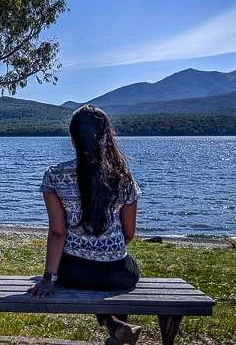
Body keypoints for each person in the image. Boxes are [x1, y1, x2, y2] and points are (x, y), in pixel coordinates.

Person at [28, 105, 142, 345]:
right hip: (118, 274)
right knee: (118, 273)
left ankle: (116, 327)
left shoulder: (54, 175)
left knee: (88, 274)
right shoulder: (124, 177)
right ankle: (118, 327)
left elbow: (58, 232)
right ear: (106, 137)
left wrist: (48, 279)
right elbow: (129, 233)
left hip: (74, 273)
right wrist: (106, 251)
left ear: (72, 138)